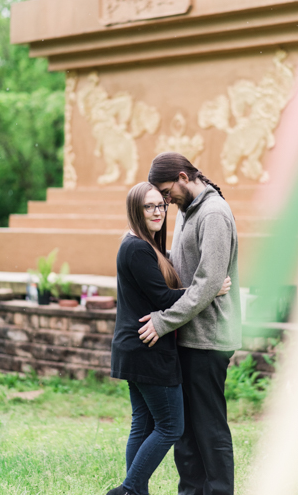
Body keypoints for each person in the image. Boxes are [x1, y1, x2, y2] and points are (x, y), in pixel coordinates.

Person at [108, 182, 231, 495]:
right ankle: (130, 489)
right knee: (170, 426)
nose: (157, 211)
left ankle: (134, 490)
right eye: (149, 206)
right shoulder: (137, 246)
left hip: (134, 347)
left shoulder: (143, 244)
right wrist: (208, 288)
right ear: (135, 210)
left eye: (160, 205)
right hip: (148, 348)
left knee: (144, 422)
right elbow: (163, 297)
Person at [139, 152, 243, 495]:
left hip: (208, 338)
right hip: (187, 336)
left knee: (208, 428)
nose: (165, 202)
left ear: (184, 177)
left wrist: (163, 322)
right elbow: (189, 272)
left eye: (167, 193)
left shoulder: (213, 214)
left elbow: (208, 283)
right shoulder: (187, 211)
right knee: (184, 431)